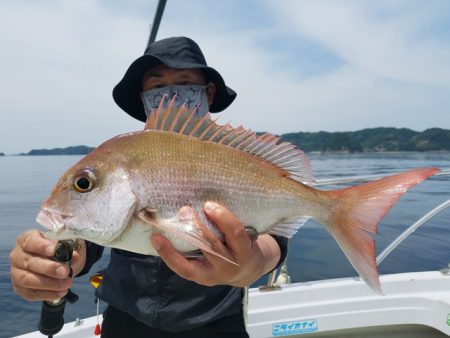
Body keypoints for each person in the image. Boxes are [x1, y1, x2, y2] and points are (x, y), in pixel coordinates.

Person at [10, 36, 288, 337]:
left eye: (183, 81)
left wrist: (257, 260)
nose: (169, 94)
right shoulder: (118, 160)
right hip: (126, 319)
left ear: (207, 93)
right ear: (143, 97)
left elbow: (276, 234)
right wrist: (57, 256)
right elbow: (89, 239)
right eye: (157, 86)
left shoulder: (239, 156)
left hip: (217, 321)